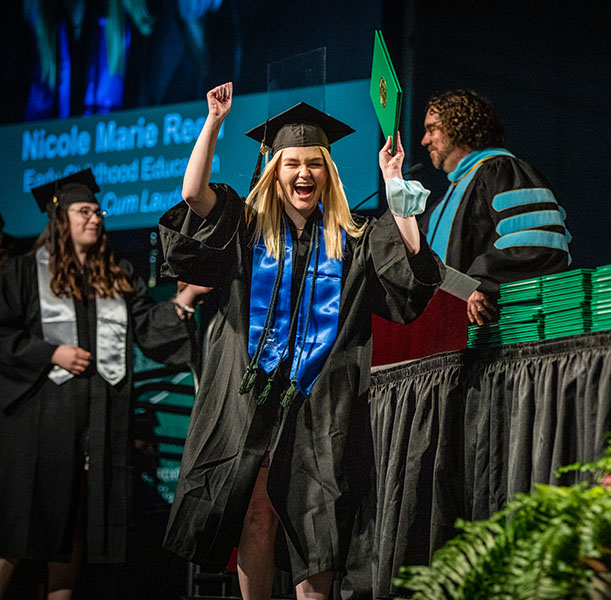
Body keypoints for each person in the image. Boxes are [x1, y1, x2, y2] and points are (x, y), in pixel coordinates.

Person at [159, 82, 441, 600]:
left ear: (327, 174)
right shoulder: (243, 230)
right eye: (293, 164)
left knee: (320, 529)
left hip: (320, 407)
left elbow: (412, 276)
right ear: (275, 171)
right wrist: (213, 122)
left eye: (314, 164)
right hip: (251, 402)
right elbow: (193, 196)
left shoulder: (353, 239)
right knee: (257, 517)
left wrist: (395, 182)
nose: (303, 174)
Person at [0, 169, 204, 600]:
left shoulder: (117, 275)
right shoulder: (23, 273)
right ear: (60, 219)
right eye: (83, 211)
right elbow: (2, 333)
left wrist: (184, 300)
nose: (95, 218)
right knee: (19, 533)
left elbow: (149, 328)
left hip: (97, 424)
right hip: (40, 427)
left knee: (74, 526)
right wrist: (48, 353)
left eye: (98, 211)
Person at [416, 89, 571, 325]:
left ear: (459, 127)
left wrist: (482, 283)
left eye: (432, 129)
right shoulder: (441, 204)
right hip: (441, 336)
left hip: (500, 333)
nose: (424, 141)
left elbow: (536, 243)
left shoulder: (504, 172)